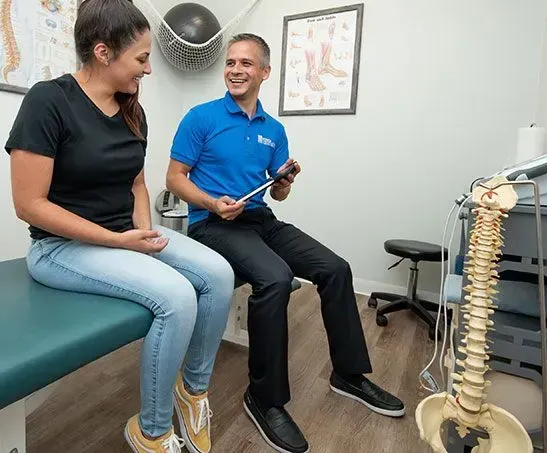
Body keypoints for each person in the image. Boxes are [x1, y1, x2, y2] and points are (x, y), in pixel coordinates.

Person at [5, 0, 234, 453]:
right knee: (176, 296)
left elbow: (135, 184)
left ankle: (192, 393)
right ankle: (151, 432)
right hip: (60, 249)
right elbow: (29, 205)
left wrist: (141, 231)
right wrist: (120, 242)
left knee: (218, 272)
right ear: (104, 52)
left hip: (122, 237)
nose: (149, 69)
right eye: (142, 59)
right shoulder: (49, 101)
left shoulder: (133, 111)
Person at [166, 33, 405, 453]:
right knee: (275, 278)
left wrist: (284, 183)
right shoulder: (200, 117)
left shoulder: (273, 130)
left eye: (246, 64)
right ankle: (264, 398)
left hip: (259, 218)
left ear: (265, 72)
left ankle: (348, 374)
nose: (236, 70)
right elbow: (174, 178)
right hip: (213, 223)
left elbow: (276, 194)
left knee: (335, 268)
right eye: (231, 63)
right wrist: (210, 203)